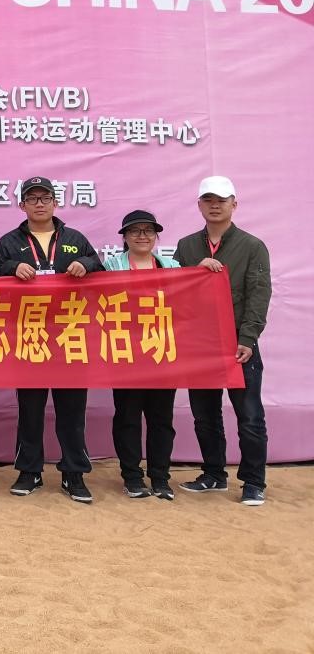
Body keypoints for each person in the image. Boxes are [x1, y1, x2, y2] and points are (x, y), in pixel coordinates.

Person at [0, 176, 102, 503]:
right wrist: (13, 267)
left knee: (72, 411)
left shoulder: (74, 239)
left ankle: (74, 473)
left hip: (70, 335)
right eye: (32, 198)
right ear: (22, 205)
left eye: (45, 198)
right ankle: (29, 471)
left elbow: (100, 268)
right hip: (30, 335)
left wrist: (85, 263)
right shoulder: (10, 241)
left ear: (55, 202)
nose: (39, 203)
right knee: (30, 409)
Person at [174, 176, 270, 506]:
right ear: (199, 205)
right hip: (200, 345)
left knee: (250, 416)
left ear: (234, 204)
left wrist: (248, 338)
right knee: (205, 415)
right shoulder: (187, 246)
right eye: (208, 200)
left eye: (222, 200)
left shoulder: (252, 246)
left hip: (238, 344)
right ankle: (213, 474)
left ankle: (254, 481)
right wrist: (194, 270)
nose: (215, 205)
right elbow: (177, 291)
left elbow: (259, 294)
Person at [105, 209, 180, 500]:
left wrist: (205, 269)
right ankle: (132, 477)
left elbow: (187, 303)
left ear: (156, 236)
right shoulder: (111, 266)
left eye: (148, 230)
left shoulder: (172, 267)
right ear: (124, 237)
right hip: (126, 353)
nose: (142, 236)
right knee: (128, 417)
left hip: (162, 351)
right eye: (135, 231)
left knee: (161, 419)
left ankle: (160, 477)